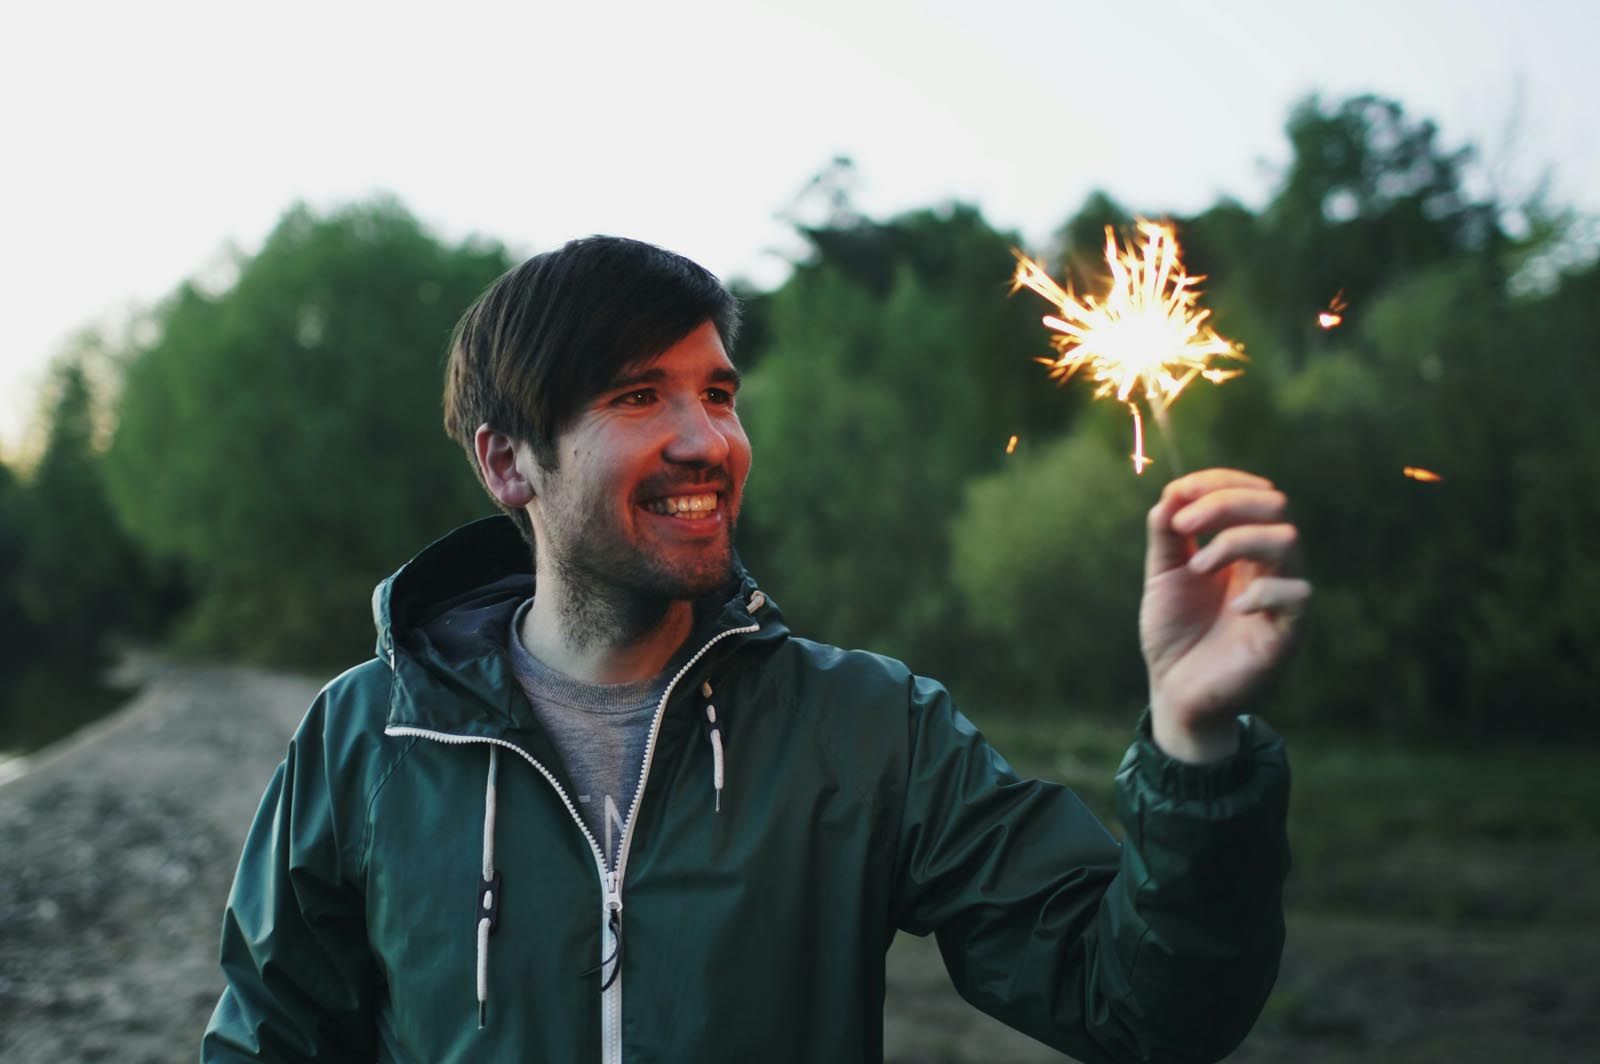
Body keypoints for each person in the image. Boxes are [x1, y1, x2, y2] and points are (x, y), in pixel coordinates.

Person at [202, 236, 1307, 1064]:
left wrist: (1193, 743)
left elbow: (1141, 1008)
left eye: (718, 393)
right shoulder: (366, 735)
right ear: (508, 463)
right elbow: (269, 1040)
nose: (708, 439)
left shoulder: (869, 726)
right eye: (640, 396)